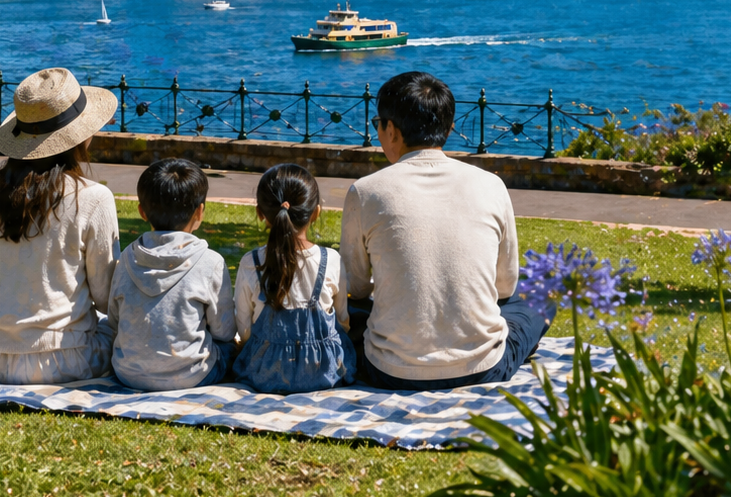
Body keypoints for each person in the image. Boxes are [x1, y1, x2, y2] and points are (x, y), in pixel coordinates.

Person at [341, 71, 553, 390]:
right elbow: (506, 286)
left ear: (392, 130)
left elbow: (355, 289)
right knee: (542, 291)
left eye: (376, 125)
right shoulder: (491, 185)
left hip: (390, 370)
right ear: (449, 128)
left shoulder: (365, 191)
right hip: (483, 367)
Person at [0, 67, 120, 385]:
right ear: (80, 134)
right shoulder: (92, 198)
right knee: (119, 328)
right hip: (64, 359)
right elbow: (106, 297)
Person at [105, 158, 237, 391]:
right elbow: (224, 332)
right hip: (193, 375)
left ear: (141, 212)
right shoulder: (210, 262)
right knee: (230, 349)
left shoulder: (126, 257)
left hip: (128, 373)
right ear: (200, 212)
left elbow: (115, 319)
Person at [232, 164, 355, 393]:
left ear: (260, 214)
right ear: (316, 212)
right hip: (324, 373)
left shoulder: (251, 263)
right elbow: (343, 324)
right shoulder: (332, 260)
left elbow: (245, 330)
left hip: (264, 373)